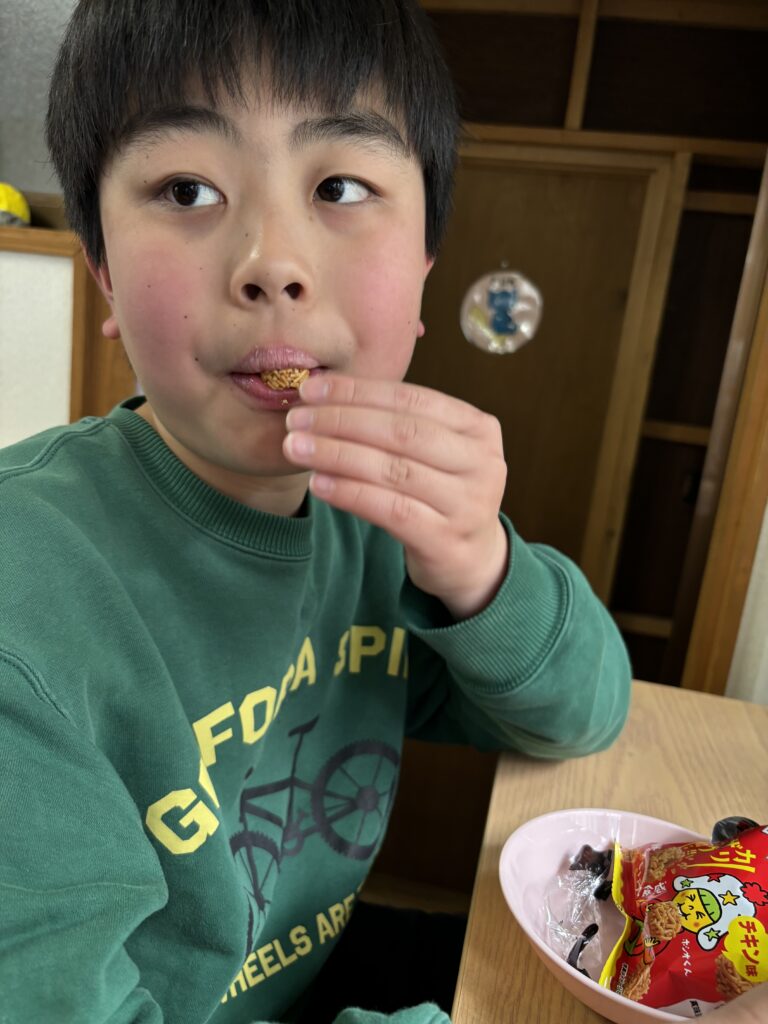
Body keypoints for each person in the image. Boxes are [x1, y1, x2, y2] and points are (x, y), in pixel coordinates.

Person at [0, 2, 632, 1022]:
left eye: (340, 186)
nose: (273, 262)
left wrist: (482, 568)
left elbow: (583, 712)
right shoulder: (23, 604)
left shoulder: (375, 524)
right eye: (187, 189)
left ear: (425, 268)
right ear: (104, 271)